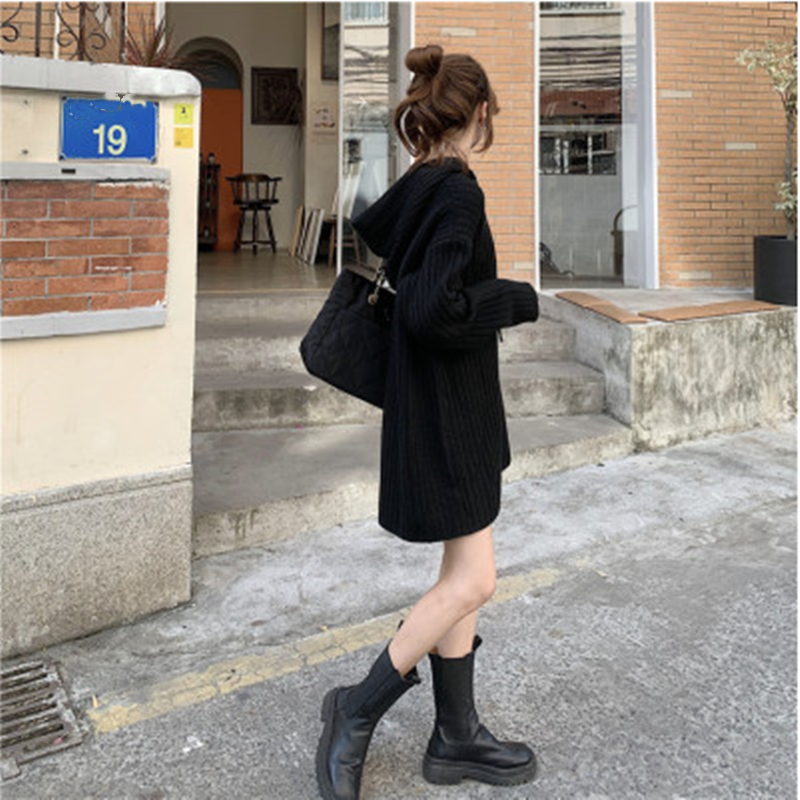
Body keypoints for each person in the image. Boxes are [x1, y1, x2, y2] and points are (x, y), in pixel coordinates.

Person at [315, 44, 540, 800]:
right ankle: (357, 709)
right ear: (478, 113)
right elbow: (431, 310)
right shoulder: (456, 194)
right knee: (476, 578)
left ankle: (455, 736)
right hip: (450, 415)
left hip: (444, 409)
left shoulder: (421, 185)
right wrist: (514, 298)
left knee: (458, 575)